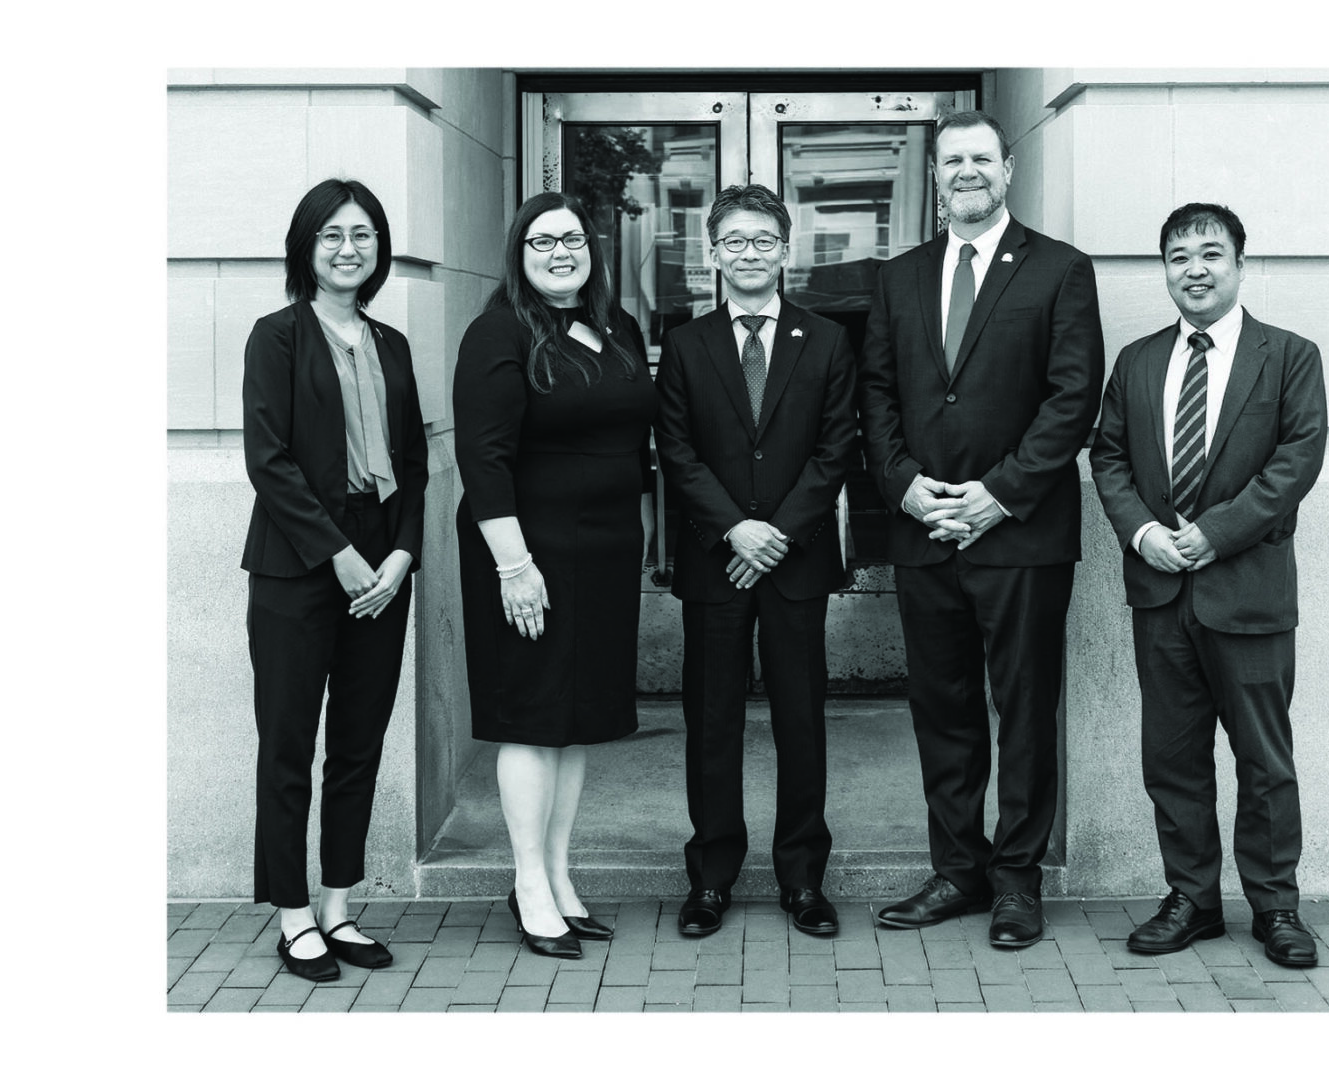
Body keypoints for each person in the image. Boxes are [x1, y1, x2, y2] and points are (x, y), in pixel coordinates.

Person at [857, 110, 1104, 949]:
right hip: (925, 531)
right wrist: (904, 489)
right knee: (943, 708)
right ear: (935, 176)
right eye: (952, 159)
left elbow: (1073, 399)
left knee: (1025, 710)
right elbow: (876, 397)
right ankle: (957, 869)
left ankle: (1017, 881)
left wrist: (999, 495)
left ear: (1008, 171)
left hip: (1021, 534)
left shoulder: (1062, 271)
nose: (967, 170)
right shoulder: (898, 278)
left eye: (981, 158)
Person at [1088, 203, 1328, 968]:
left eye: (1209, 253)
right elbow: (1110, 458)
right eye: (1177, 256)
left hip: (1248, 591)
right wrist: (1144, 532)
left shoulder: (1289, 355)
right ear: (1164, 270)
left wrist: (1214, 533)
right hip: (1160, 595)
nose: (1193, 269)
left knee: (1264, 761)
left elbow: (1296, 462)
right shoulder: (1136, 361)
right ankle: (1192, 898)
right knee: (1174, 758)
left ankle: (1276, 906)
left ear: (1240, 265)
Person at [453, 192, 657, 960]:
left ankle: (560, 877)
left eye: (573, 238)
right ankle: (528, 883)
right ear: (519, 252)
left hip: (602, 553)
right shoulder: (498, 331)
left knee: (578, 724)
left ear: (593, 247)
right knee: (533, 717)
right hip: (526, 553)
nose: (560, 252)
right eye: (543, 241)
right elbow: (484, 460)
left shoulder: (619, 327)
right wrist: (514, 567)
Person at [654, 185, 858, 939]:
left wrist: (776, 533)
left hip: (795, 562)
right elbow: (675, 451)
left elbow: (838, 447)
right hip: (717, 563)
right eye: (734, 241)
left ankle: (803, 878)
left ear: (786, 249)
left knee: (801, 721)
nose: (748, 253)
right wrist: (734, 531)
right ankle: (711, 877)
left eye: (762, 240)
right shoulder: (684, 343)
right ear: (712, 253)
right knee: (712, 723)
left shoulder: (827, 341)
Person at [241, 178, 429, 982]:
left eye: (363, 235)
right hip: (299, 565)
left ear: (379, 249)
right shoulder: (276, 336)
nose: (349, 249)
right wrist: (339, 555)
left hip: (383, 564)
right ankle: (292, 916)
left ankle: (338, 904)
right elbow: (269, 462)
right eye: (333, 236)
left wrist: (400, 555)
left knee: (357, 743)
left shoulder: (392, 344)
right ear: (306, 248)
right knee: (289, 741)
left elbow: (417, 466)